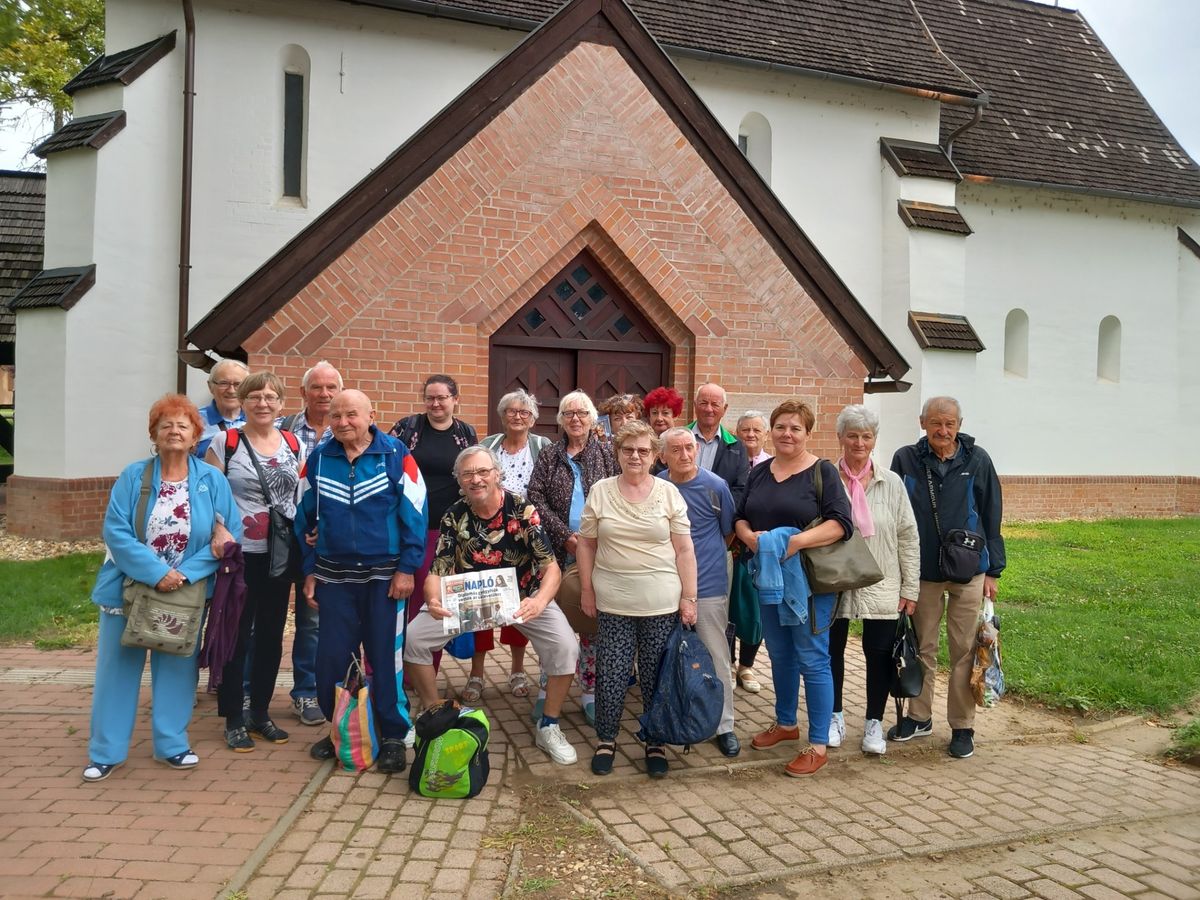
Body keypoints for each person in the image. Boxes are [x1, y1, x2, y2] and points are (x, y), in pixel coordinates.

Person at [83, 395, 241, 782]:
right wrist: (157, 572)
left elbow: (228, 534)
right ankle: (106, 752)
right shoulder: (133, 476)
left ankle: (172, 744)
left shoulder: (211, 479)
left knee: (177, 667)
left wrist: (184, 574)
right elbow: (116, 532)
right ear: (154, 435)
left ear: (194, 437)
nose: (174, 431)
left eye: (182, 426)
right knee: (116, 671)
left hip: (184, 592)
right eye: (165, 425)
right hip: (129, 589)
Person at [404, 446, 580, 765]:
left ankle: (549, 725)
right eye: (468, 474)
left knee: (566, 647)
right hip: (469, 598)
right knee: (415, 638)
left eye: (483, 471)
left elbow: (550, 566)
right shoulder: (454, 515)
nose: (476, 479)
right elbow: (437, 571)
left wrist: (540, 601)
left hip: (522, 596)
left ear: (497, 474)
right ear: (459, 480)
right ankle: (434, 715)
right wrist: (432, 598)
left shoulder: (522, 510)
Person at [299, 390, 428, 774]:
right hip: (334, 578)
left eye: (351, 414)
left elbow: (416, 514)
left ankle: (391, 734)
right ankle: (343, 729)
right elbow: (301, 518)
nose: (342, 422)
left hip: (385, 579)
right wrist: (309, 570)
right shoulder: (320, 459)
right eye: (335, 416)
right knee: (332, 661)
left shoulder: (396, 455)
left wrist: (407, 568)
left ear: (372, 414)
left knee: (385, 660)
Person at [734, 399, 852, 778]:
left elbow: (840, 524)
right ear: (772, 430)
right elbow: (741, 516)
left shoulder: (823, 472)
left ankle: (818, 744)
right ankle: (786, 724)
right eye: (781, 426)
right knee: (780, 654)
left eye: (795, 428)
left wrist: (796, 542)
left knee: (813, 658)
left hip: (810, 581)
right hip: (768, 577)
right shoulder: (760, 471)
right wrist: (752, 539)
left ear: (808, 433)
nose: (787, 433)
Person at [578, 420, 697, 778]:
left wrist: (689, 597)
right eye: (628, 449)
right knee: (611, 673)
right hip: (613, 599)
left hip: (661, 601)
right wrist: (586, 589)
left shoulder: (668, 493)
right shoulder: (600, 490)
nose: (635, 456)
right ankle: (606, 739)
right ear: (617, 453)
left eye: (643, 450)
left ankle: (655, 740)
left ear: (655, 455)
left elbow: (684, 549)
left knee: (654, 674)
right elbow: (586, 542)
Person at [889, 396, 1005, 760]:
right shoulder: (905, 458)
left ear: (959, 424)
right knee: (923, 647)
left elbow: (991, 514)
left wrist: (993, 570)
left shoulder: (978, 459)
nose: (943, 431)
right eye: (936, 423)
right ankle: (919, 716)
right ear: (923, 423)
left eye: (950, 424)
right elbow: (897, 513)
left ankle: (962, 726)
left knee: (964, 650)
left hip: (969, 570)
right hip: (923, 571)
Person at [204, 372, 306, 752]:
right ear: (243, 402)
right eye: (254, 397)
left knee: (270, 635)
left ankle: (260, 713)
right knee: (237, 634)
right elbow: (209, 495)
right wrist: (217, 529)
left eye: (270, 397)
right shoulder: (225, 442)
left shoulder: (293, 444)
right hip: (240, 554)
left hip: (279, 555)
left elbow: (301, 496)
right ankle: (233, 716)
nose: (262, 403)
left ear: (281, 404)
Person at [828, 405, 919, 755]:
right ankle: (833, 717)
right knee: (831, 651)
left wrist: (910, 588)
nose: (859, 442)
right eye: (852, 435)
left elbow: (908, 536)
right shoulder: (825, 477)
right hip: (834, 580)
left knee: (879, 654)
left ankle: (873, 724)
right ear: (840, 438)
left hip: (882, 581)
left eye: (866, 436)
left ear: (874, 440)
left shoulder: (891, 482)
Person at [526, 390, 618, 725]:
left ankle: (590, 693)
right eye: (568, 414)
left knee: (590, 623)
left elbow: (620, 494)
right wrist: (565, 537)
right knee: (553, 625)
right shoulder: (550, 455)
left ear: (593, 418)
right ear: (561, 420)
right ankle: (546, 689)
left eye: (581, 413)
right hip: (556, 550)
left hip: (598, 551)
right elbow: (534, 496)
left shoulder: (608, 454)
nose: (575, 419)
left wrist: (590, 540)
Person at [389, 375, 480, 699]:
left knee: (436, 603)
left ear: (455, 398)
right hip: (412, 527)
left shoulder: (465, 434)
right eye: (430, 398)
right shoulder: (408, 428)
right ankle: (399, 669)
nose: (436, 404)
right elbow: (389, 467)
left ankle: (425, 672)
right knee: (409, 600)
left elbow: (473, 476)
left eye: (442, 397)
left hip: (449, 530)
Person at [658, 427, 739, 757]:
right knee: (666, 656)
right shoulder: (657, 485)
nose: (685, 455)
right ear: (663, 455)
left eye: (689, 448)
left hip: (707, 587)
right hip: (662, 586)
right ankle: (672, 716)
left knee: (715, 654)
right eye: (675, 450)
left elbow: (729, 533)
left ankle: (725, 725)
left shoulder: (715, 487)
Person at [276, 360, 343, 726]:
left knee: (313, 618)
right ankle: (250, 691)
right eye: (317, 387)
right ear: (303, 393)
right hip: (279, 535)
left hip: (322, 540)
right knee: (264, 617)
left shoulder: (348, 431)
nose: (325, 394)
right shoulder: (278, 429)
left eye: (331, 387)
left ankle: (306, 693)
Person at [478, 389, 551, 698]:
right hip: (487, 532)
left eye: (524, 412)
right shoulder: (487, 445)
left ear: (533, 418)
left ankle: (518, 670)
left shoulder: (543, 446)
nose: (518, 416)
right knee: (482, 604)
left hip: (524, 535)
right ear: (502, 415)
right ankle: (476, 673)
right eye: (512, 411)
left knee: (518, 602)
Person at [729, 409, 772, 693]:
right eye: (745, 430)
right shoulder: (730, 461)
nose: (751, 435)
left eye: (757, 430)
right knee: (730, 608)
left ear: (766, 435)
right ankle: (728, 664)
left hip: (761, 549)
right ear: (737, 433)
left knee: (755, 611)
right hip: (731, 545)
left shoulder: (773, 465)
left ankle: (747, 666)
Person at [689, 382, 750, 503]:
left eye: (715, 404)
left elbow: (740, 489)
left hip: (718, 518)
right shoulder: (676, 438)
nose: (709, 409)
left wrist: (718, 511)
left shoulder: (737, 446)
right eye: (703, 403)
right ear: (695, 406)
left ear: (725, 409)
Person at [196, 359, 249, 458]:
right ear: (210, 386)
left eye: (238, 384)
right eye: (224, 383)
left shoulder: (257, 421)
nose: (231, 390)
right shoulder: (193, 421)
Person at [644, 386, 683, 475]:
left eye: (665, 413)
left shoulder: (683, 442)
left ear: (675, 415)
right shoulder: (643, 442)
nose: (659, 418)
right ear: (649, 415)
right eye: (654, 413)